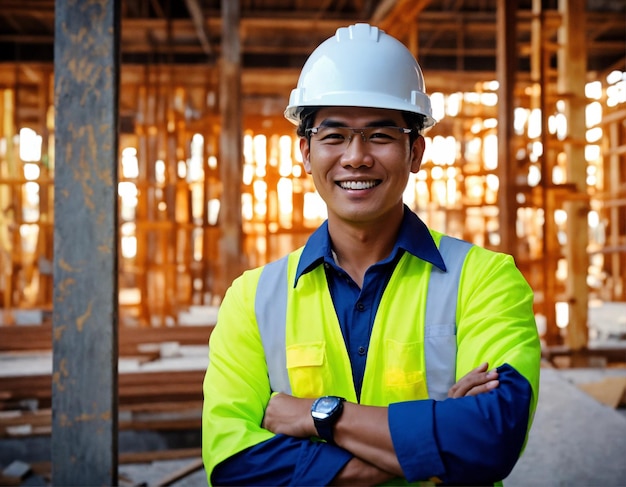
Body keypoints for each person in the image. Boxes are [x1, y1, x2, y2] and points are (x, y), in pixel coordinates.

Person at [202, 23, 541, 486]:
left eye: (380, 135)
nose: (356, 157)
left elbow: (490, 439)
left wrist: (320, 417)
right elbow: (232, 465)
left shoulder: (485, 280)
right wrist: (433, 440)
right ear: (305, 151)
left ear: (415, 151)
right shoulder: (252, 299)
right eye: (334, 135)